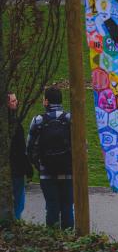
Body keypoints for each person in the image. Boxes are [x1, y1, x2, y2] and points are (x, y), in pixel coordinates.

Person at [27, 87, 73, 229]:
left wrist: (38, 164)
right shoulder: (70, 118)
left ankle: (52, 240)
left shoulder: (38, 120)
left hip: (47, 172)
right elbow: (82, 147)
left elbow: (29, 147)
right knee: (67, 208)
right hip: (68, 172)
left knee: (52, 207)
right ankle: (70, 240)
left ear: (46, 101)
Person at [8, 93, 33, 220]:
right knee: (18, 200)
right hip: (16, 169)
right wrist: (27, 168)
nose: (16, 102)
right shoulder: (15, 125)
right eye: (13, 101)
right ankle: (15, 223)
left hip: (11, 168)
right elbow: (21, 149)